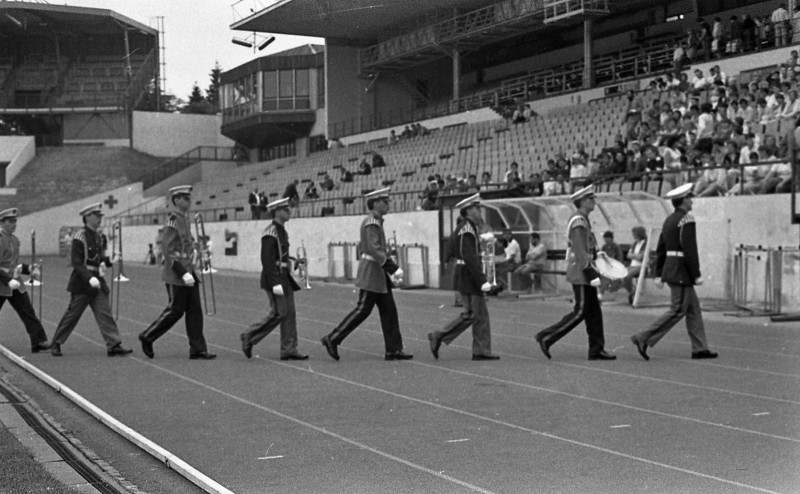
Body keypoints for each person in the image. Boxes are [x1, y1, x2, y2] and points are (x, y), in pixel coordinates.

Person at [321, 188, 412, 361]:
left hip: (378, 274)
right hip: (372, 273)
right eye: (385, 201)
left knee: (389, 311)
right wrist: (393, 268)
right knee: (362, 310)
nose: (388, 204)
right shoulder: (372, 222)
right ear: (376, 203)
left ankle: (394, 349)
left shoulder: (375, 222)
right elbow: (374, 249)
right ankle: (332, 338)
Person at [630, 184, 718, 361]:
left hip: (672, 268)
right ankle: (643, 337)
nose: (692, 200)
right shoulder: (687, 220)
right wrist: (696, 273)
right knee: (677, 310)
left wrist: (658, 273)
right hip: (681, 270)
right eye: (690, 198)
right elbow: (689, 249)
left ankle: (700, 348)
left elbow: (661, 248)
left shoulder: (669, 220)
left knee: (693, 309)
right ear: (684, 200)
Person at [534, 186, 616, 361]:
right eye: (591, 199)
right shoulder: (579, 221)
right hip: (582, 272)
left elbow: (589, 248)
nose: (594, 201)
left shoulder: (583, 220)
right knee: (581, 311)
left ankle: (597, 349)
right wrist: (592, 274)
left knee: (594, 312)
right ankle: (547, 337)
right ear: (583, 202)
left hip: (585, 270)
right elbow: (580, 251)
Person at [138, 186, 216, 360]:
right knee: (175, 310)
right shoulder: (172, 220)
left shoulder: (185, 220)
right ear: (177, 200)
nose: (189, 201)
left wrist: (198, 251)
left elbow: (188, 244)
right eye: (185, 198)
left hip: (189, 271)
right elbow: (169, 251)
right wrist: (182, 273)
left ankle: (198, 348)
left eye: (189, 198)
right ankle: (147, 336)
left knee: (195, 311)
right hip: (177, 274)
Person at [50, 203, 133, 357]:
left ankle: (113, 344)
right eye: (96, 216)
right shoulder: (79, 236)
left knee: (105, 313)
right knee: (72, 315)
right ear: (87, 217)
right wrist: (89, 278)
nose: (99, 219)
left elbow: (98, 258)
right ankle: (56, 343)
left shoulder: (98, 236)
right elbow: (77, 261)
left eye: (100, 216)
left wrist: (109, 261)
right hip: (83, 283)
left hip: (98, 281)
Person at [427, 194, 499, 361]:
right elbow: (470, 258)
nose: (479, 211)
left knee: (477, 314)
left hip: (465, 273)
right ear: (468, 211)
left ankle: (481, 350)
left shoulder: (467, 227)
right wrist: (483, 281)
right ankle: (439, 335)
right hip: (468, 274)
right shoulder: (467, 230)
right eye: (476, 208)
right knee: (473, 314)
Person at [240, 198, 308, 361]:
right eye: (286, 209)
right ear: (277, 212)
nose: (289, 212)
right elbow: (267, 260)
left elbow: (281, 256)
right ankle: (249, 336)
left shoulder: (282, 231)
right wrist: (275, 283)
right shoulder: (270, 232)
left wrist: (294, 261)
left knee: (289, 313)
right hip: (275, 278)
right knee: (279, 312)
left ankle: (289, 349)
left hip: (284, 277)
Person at [0, 208, 49, 353]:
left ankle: (38, 341)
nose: (14, 224)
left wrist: (30, 269)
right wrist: (7, 280)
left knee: (27, 310)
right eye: (10, 221)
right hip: (2, 283)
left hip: (15, 283)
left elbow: (14, 264)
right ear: (2, 223)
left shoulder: (15, 240)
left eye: (15, 221)